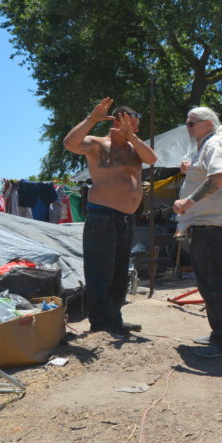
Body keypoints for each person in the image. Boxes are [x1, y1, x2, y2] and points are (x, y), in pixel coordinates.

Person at [63, 98, 158, 337]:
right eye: (132, 124)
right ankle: (101, 324)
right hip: (102, 216)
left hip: (126, 219)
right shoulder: (97, 145)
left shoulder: (134, 148)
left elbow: (152, 159)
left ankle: (114, 318)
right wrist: (91, 119)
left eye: (136, 127)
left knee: (118, 273)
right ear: (118, 121)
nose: (136, 129)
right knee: (100, 271)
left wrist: (132, 137)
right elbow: (69, 143)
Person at [173, 107, 222, 358]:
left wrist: (188, 202)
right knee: (211, 283)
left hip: (212, 226)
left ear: (207, 124)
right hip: (212, 226)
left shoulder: (214, 144)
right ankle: (220, 334)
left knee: (213, 284)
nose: (188, 127)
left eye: (191, 123)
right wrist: (190, 170)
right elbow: (211, 173)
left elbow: (220, 176)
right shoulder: (213, 145)